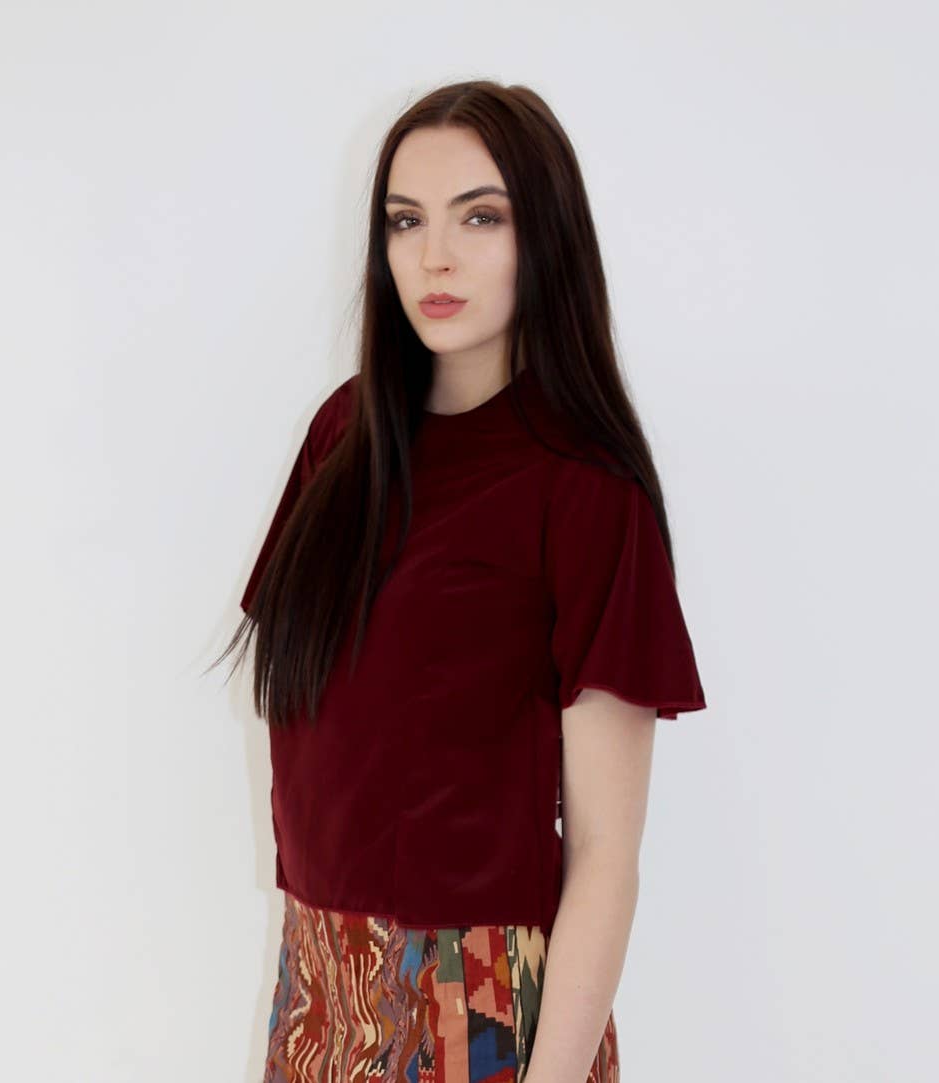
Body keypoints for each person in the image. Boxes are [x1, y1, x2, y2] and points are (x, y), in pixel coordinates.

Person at [215, 80, 707, 1083]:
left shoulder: (584, 487)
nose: (433, 256)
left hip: (481, 997)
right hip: (320, 983)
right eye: (406, 221)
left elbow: (605, 851)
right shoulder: (342, 436)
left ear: (546, 236)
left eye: (480, 217)